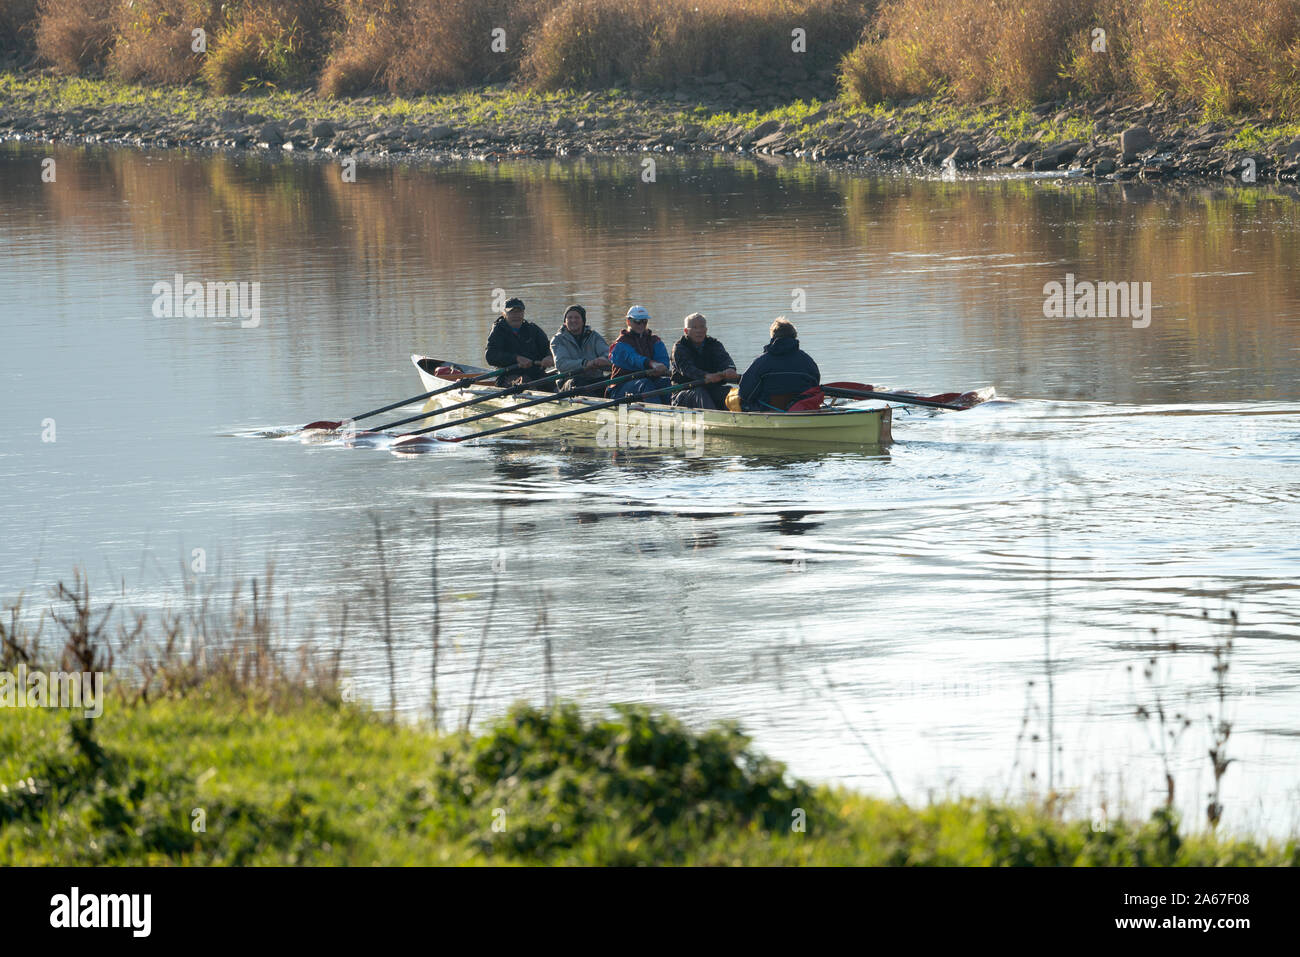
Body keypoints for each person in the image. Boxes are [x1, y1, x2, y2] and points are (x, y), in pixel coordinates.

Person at [737, 317, 820, 411]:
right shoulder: (808, 361)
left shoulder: (761, 362)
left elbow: (745, 394)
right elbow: (815, 388)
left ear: (773, 337)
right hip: (801, 410)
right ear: (794, 336)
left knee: (739, 400)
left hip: (770, 411)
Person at [670, 313, 738, 409]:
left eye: (702, 327)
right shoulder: (679, 348)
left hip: (710, 388)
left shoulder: (714, 344)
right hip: (684, 393)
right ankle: (714, 420)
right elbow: (687, 369)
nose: (699, 331)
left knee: (731, 393)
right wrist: (705, 376)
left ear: (706, 329)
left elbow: (725, 359)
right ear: (686, 331)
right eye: (695, 328)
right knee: (700, 393)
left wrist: (730, 369)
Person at [484, 297, 554, 390]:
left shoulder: (533, 329)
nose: (516, 315)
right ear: (504, 314)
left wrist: (549, 356)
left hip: (535, 374)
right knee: (525, 380)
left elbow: (548, 347)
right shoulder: (498, 331)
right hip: (507, 376)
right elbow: (490, 356)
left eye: (519, 311)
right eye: (512, 312)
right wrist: (516, 358)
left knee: (553, 383)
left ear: (523, 313)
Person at [607, 305, 670, 401]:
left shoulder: (654, 341)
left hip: (648, 383)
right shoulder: (620, 344)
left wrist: (662, 366)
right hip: (619, 388)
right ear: (628, 321)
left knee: (667, 382)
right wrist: (651, 363)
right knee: (644, 384)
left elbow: (664, 361)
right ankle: (657, 413)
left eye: (644, 321)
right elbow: (633, 359)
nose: (641, 325)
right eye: (637, 321)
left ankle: (674, 411)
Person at [549, 304, 611, 395]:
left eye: (577, 318)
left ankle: (622, 406)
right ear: (565, 322)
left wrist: (605, 361)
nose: (573, 320)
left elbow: (609, 355)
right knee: (577, 382)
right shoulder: (558, 340)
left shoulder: (594, 336)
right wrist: (585, 363)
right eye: (569, 318)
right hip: (569, 382)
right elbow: (561, 364)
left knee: (615, 378)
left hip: (594, 380)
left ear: (583, 321)